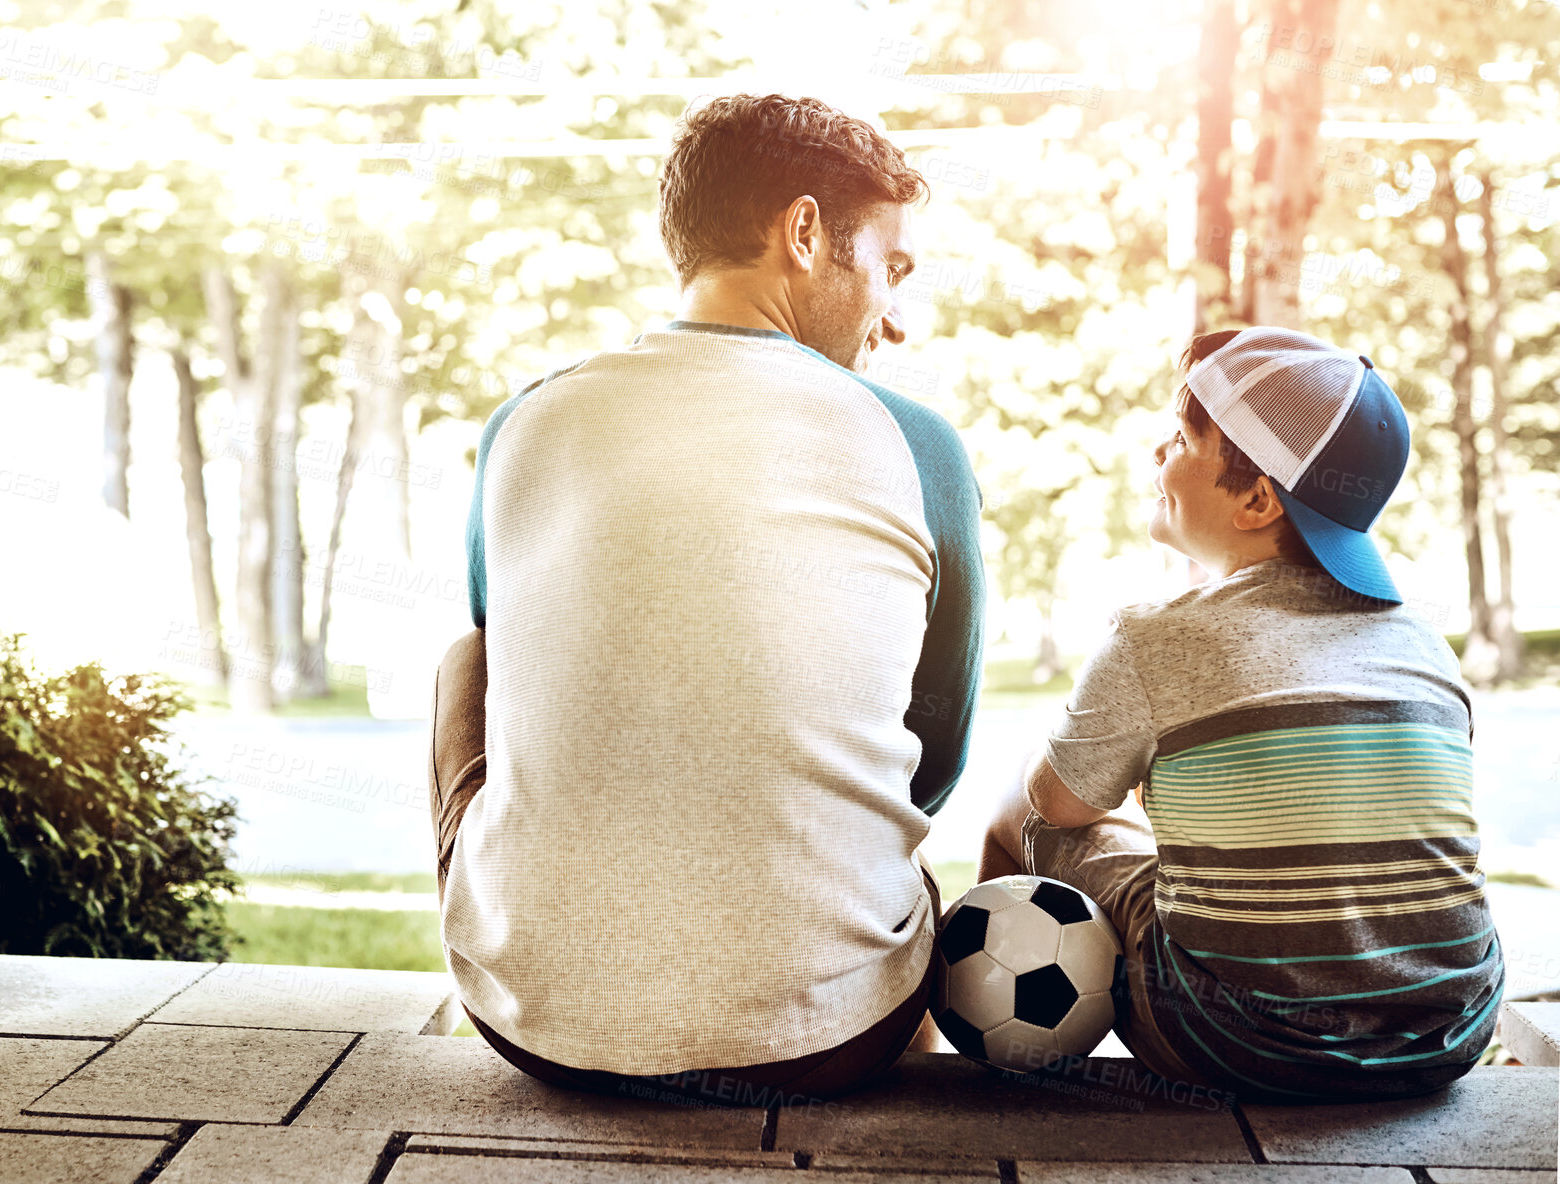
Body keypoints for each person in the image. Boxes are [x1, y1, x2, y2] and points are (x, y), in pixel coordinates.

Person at [428, 93, 985, 1105]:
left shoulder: (526, 420)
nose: (895, 319)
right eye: (889, 269)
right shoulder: (916, 444)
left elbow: (500, 658)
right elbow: (934, 759)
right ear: (805, 232)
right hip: (832, 1039)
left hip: (535, 1030)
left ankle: (547, 943)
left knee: (462, 661)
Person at [978, 327, 1503, 1101]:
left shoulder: (1154, 637)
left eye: (1183, 437)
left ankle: (979, 1060)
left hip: (1237, 1041)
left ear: (1257, 498)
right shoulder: (1425, 642)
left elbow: (1059, 804)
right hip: (1448, 1035)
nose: (1159, 452)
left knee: (1020, 813)